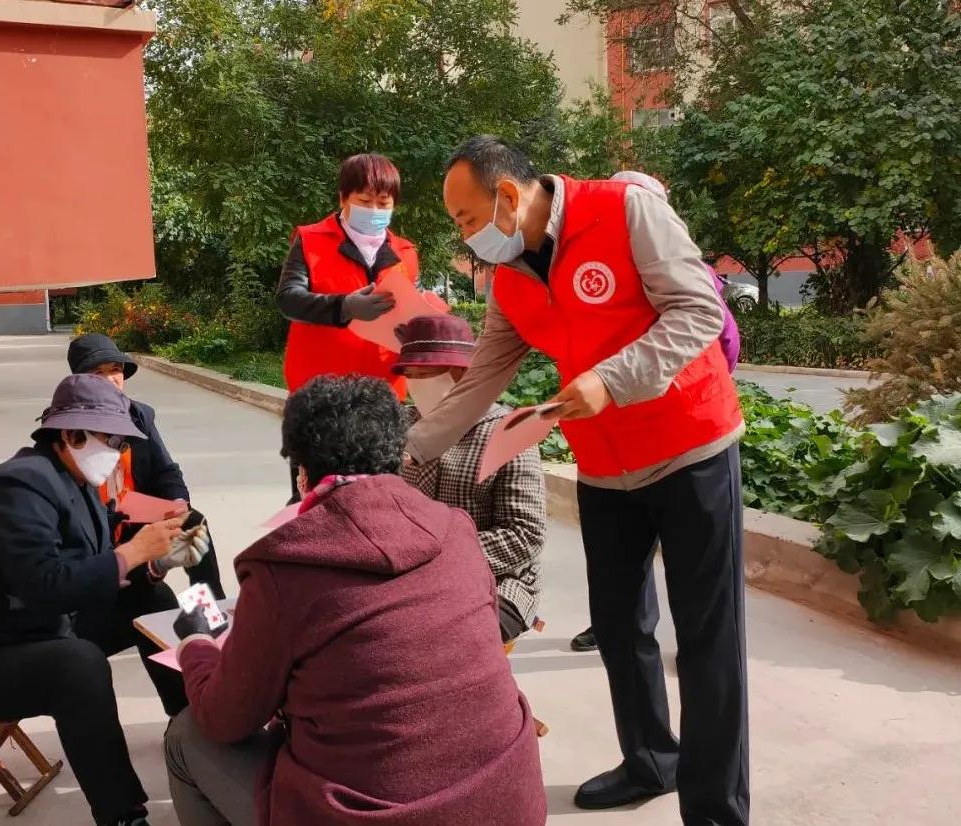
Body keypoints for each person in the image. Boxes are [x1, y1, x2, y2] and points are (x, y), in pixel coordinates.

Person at [405, 137, 748, 824]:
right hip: (605, 467)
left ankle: (714, 810)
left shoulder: (625, 211)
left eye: (467, 218)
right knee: (619, 627)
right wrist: (398, 457)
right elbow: (478, 385)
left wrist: (611, 379)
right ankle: (650, 760)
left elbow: (698, 313)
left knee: (706, 639)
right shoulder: (510, 282)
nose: (465, 236)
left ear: (508, 196)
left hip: (691, 448)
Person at [163, 376, 546, 826]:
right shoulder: (457, 531)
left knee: (186, 734)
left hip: (371, 814)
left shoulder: (283, 569)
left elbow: (225, 718)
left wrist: (196, 645)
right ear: (399, 457)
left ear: (302, 473)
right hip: (508, 802)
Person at [0, 375, 199, 826]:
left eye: (122, 442)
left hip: (32, 630)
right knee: (78, 665)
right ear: (70, 434)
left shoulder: (76, 484)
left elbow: (91, 572)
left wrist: (156, 563)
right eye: (109, 440)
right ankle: (122, 815)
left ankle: (190, 721)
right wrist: (132, 552)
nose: (117, 451)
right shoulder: (19, 486)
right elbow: (44, 586)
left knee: (153, 597)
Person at [569, 171, 742, 653]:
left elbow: (722, 340)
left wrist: (674, 379)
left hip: (682, 432)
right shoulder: (595, 266)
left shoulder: (685, 272)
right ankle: (614, 625)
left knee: (698, 586)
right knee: (623, 580)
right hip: (614, 442)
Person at [276, 153, 420, 501]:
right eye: (365, 201)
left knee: (381, 497)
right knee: (314, 498)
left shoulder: (405, 252)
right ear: (343, 198)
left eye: (383, 203)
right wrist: (343, 307)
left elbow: (413, 309)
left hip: (382, 396)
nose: (375, 210)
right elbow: (288, 299)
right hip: (320, 396)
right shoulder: (310, 240)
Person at [395, 314, 546, 643]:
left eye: (426, 374)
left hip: (499, 580)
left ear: (464, 374)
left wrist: (439, 556)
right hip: (408, 572)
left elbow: (525, 534)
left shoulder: (509, 433)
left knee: (443, 634)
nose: (415, 384)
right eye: (410, 375)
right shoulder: (398, 426)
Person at [68, 332, 227, 600]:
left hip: (134, 514)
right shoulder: (69, 428)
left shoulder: (139, 416)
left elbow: (166, 470)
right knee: (159, 599)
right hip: (94, 531)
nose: (110, 379)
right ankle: (139, 582)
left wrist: (177, 505)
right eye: (98, 373)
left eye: (115, 370)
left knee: (193, 523)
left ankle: (211, 613)